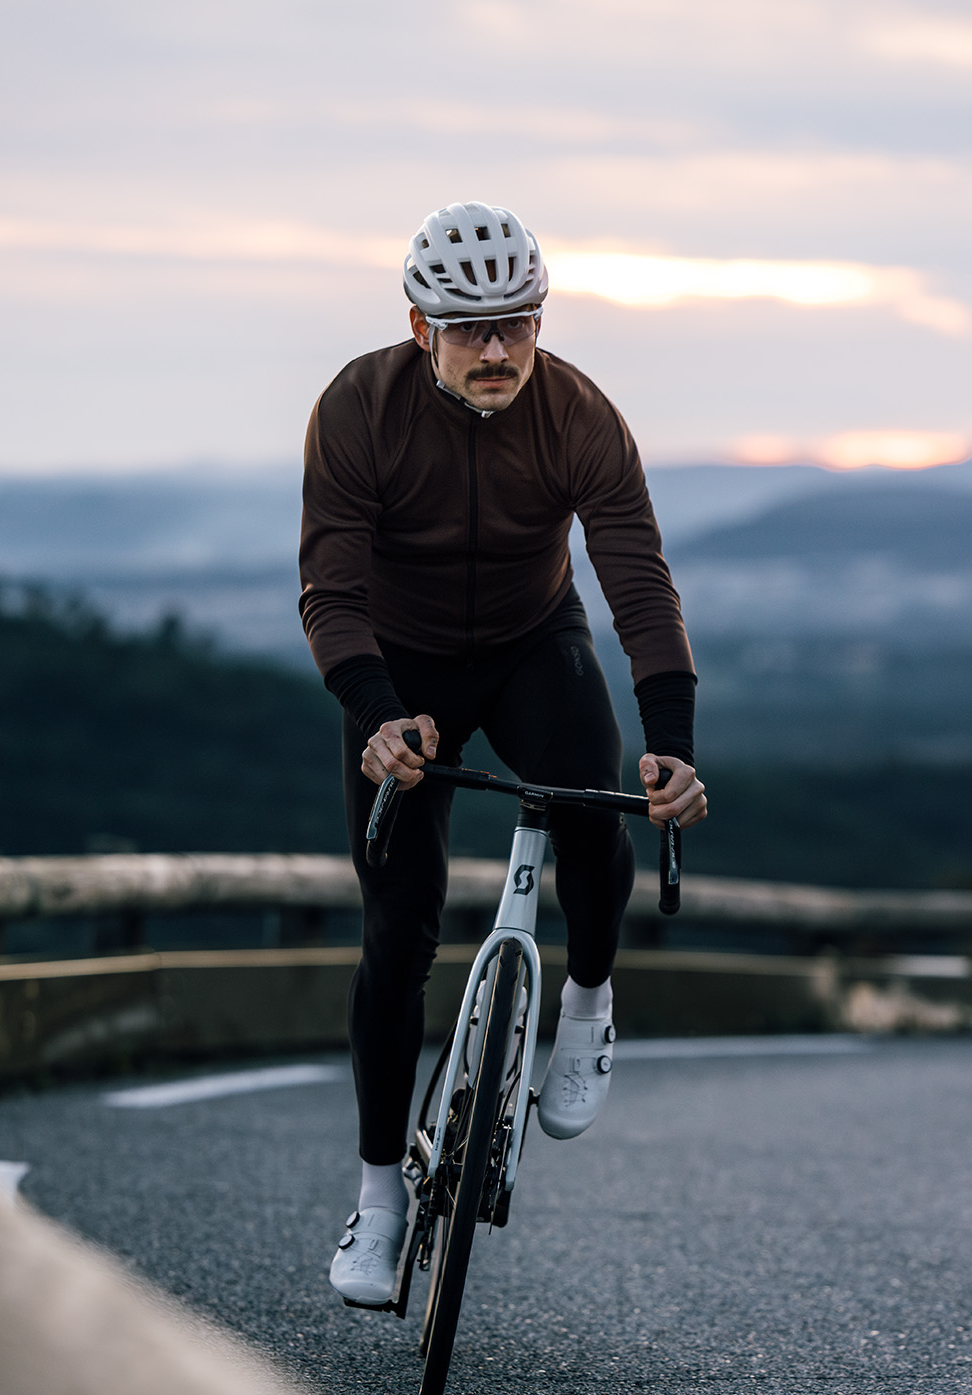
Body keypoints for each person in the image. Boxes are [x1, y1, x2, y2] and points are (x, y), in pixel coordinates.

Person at [300, 201, 706, 1306]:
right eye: (469, 327)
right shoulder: (358, 407)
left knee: (595, 811)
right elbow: (330, 591)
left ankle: (585, 999)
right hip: (400, 668)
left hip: (534, 643)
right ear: (418, 323)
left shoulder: (577, 412)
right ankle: (379, 1203)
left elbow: (636, 579)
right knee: (397, 927)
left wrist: (670, 742)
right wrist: (377, 711)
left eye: (517, 323)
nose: (496, 349)